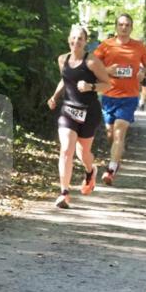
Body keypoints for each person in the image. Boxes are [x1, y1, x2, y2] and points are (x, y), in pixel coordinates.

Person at [47, 25, 111, 208]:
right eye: (73, 38)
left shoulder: (92, 62)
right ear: (69, 39)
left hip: (89, 112)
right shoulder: (62, 59)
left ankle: (91, 170)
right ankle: (64, 193)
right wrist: (55, 97)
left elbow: (107, 84)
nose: (76, 42)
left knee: (83, 153)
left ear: (85, 42)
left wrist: (91, 87)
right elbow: (65, 79)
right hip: (68, 110)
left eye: (80, 39)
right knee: (66, 149)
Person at [92, 14, 146, 186]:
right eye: (121, 24)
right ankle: (116, 159)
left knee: (119, 130)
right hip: (108, 95)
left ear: (131, 27)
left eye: (127, 25)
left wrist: (144, 72)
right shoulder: (106, 45)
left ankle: (111, 170)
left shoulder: (139, 47)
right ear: (116, 26)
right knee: (111, 134)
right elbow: (92, 65)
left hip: (129, 97)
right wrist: (107, 70)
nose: (124, 27)